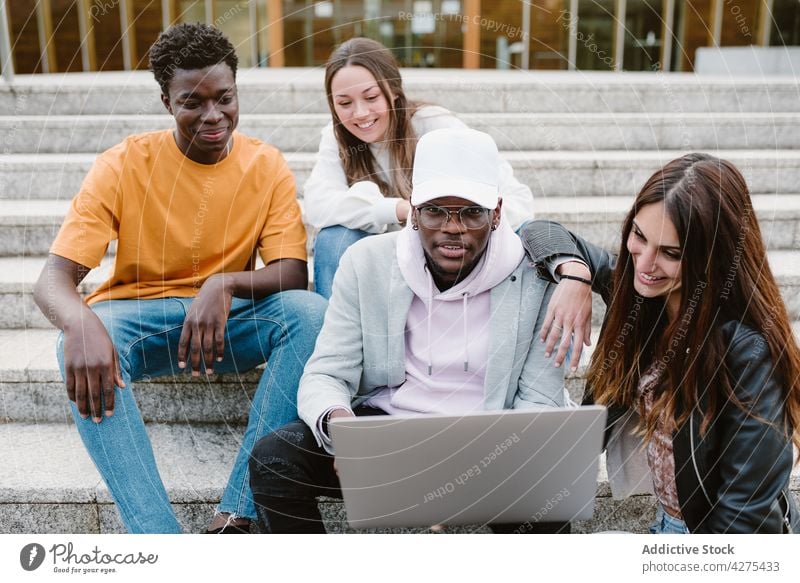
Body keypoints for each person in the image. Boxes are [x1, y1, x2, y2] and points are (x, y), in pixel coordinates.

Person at [32, 23, 327, 534]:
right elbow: (52, 279)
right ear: (168, 102)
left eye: (225, 98)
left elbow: (293, 272)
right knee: (73, 342)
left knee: (312, 315)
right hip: (145, 319)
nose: (214, 116)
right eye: (193, 102)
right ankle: (161, 542)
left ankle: (237, 514)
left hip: (225, 322)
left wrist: (225, 283)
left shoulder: (266, 164)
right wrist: (79, 324)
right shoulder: (123, 164)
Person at [249, 127, 569, 534]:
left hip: (491, 441)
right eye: (436, 210)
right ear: (413, 210)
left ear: (498, 212)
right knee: (275, 458)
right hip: (389, 435)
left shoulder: (536, 279)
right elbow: (327, 372)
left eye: (471, 212)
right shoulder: (367, 263)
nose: (453, 228)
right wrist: (344, 429)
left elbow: (540, 400)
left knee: (547, 493)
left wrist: (484, 466)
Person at [521, 153, 800, 533]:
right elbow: (537, 231)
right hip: (667, 525)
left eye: (671, 253)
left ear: (712, 258)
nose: (645, 264)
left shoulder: (749, 353)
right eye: (639, 236)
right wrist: (575, 276)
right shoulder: (641, 297)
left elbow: (745, 516)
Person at [304, 37, 535, 298]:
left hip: (441, 251)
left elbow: (517, 200)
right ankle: (337, 336)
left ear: (393, 91)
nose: (360, 113)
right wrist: (396, 209)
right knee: (333, 238)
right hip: (383, 256)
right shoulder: (335, 138)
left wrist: (453, 224)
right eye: (344, 103)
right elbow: (318, 203)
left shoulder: (433, 125)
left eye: (371, 97)